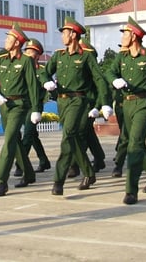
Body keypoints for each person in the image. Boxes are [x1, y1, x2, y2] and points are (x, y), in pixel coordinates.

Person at [41, 17, 112, 196]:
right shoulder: (58, 55)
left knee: (67, 137)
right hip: (62, 102)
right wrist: (46, 82)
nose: (62, 36)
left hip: (78, 101)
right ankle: (88, 172)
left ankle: (58, 180)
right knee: (72, 138)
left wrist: (104, 103)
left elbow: (99, 79)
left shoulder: (86, 56)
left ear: (73, 35)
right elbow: (44, 72)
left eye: (65, 33)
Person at [106, 17, 146, 205]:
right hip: (127, 104)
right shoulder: (122, 57)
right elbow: (109, 72)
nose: (124, 37)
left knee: (134, 145)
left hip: (144, 103)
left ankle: (131, 190)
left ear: (134, 36)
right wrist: (114, 80)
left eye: (126, 33)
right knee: (136, 143)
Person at [0, 24, 43, 197]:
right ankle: (29, 174)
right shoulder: (2, 59)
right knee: (15, 141)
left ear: (17, 42)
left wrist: (36, 109)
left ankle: (1, 181)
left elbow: (33, 86)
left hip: (19, 106)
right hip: (4, 105)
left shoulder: (25, 61)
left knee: (9, 139)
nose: (6, 41)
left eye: (9, 38)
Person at [17, 38, 52, 175]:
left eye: (31, 52)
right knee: (33, 136)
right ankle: (44, 161)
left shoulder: (41, 70)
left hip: (35, 106)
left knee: (28, 135)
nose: (28, 54)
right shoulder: (22, 68)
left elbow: (44, 80)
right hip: (23, 105)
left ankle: (21, 164)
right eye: (27, 51)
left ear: (37, 56)